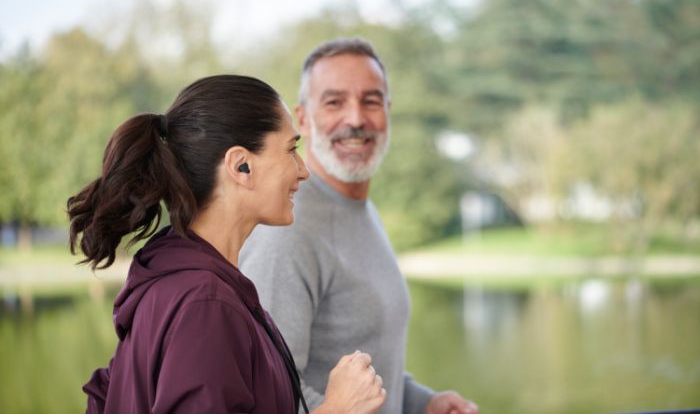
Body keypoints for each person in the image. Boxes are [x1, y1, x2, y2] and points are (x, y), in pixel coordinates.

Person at [68, 75, 386, 414]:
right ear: (241, 166)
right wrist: (336, 410)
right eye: (291, 149)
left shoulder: (182, 279)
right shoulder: (205, 302)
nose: (303, 170)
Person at [239, 39, 480, 414]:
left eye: (371, 101)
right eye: (334, 102)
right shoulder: (286, 228)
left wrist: (422, 402)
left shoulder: (362, 209)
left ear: (388, 111)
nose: (355, 119)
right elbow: (267, 392)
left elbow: (365, 366)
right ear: (302, 119)